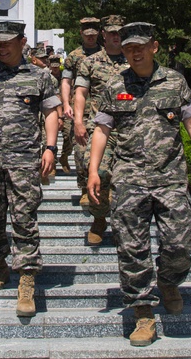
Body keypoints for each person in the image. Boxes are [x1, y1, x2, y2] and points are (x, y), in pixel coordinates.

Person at [87, 22, 191, 347]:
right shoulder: (114, 84)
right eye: (129, 46)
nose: (134, 51)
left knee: (179, 243)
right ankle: (143, 312)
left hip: (170, 176)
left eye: (140, 46)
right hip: (129, 178)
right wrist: (94, 170)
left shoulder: (174, 82)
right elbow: (102, 129)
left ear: (154, 47)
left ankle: (169, 281)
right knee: (132, 248)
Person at [0, 20, 61, 317]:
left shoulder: (41, 76)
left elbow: (52, 112)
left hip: (24, 160)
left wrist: (51, 147)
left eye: (6, 42)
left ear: (22, 42)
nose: (0, 47)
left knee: (24, 219)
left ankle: (26, 281)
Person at [73, 14, 128, 244]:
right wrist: (77, 121)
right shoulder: (91, 62)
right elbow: (81, 93)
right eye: (111, 32)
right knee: (99, 173)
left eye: (119, 32)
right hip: (99, 128)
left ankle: (123, 223)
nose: (115, 37)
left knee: (126, 180)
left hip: (129, 130)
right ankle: (99, 219)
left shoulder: (134, 59)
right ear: (103, 35)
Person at [61, 17, 103, 204]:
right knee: (80, 150)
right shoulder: (74, 56)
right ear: (81, 34)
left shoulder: (106, 54)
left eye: (94, 35)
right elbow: (66, 82)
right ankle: (84, 186)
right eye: (87, 35)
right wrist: (66, 104)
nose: (91, 39)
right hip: (80, 111)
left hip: (103, 110)